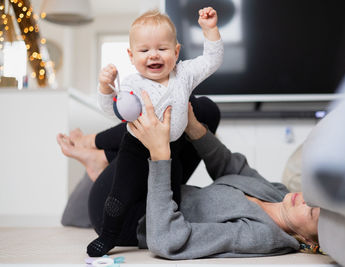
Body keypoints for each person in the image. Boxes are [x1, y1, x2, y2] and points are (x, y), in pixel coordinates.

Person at [58, 93, 321, 259]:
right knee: (200, 109)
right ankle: (101, 160)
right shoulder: (279, 193)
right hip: (153, 191)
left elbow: (166, 240)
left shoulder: (261, 236)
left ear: (308, 241)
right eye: (315, 199)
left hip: (128, 216)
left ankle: (94, 144)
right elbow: (230, 166)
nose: (305, 200)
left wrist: (161, 155)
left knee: (167, 130)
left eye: (310, 212)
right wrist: (195, 128)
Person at [89, 6, 223, 256]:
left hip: (171, 152)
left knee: (170, 200)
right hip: (136, 148)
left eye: (162, 49)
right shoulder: (131, 83)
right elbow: (112, 111)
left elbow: (212, 60)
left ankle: (162, 233)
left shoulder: (183, 74)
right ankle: (108, 237)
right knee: (120, 195)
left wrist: (210, 30)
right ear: (131, 55)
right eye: (144, 50)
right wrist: (105, 87)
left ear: (176, 51)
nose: (154, 55)